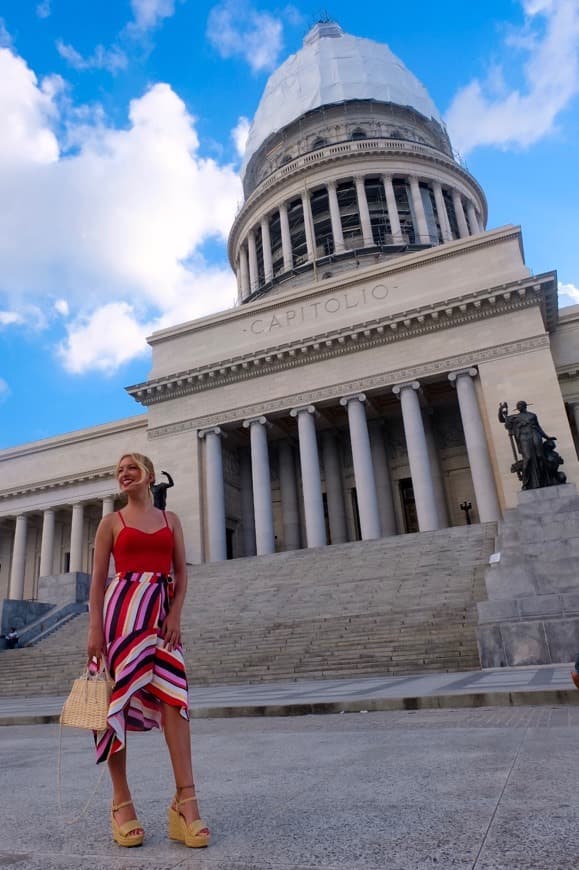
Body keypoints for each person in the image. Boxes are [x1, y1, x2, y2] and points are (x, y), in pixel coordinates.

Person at [87, 452, 210, 849]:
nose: (123, 474)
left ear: (149, 476)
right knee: (113, 704)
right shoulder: (111, 522)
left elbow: (181, 572)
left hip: (160, 619)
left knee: (176, 700)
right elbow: (97, 584)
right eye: (119, 470)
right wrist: (94, 631)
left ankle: (186, 802)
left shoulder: (170, 521)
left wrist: (175, 615)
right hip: (121, 615)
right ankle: (121, 801)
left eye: (131, 468)